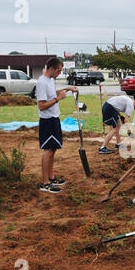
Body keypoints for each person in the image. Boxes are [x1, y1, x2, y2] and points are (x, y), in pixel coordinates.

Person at [37, 57, 77, 194]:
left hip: (54, 119)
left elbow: (52, 94)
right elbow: (41, 106)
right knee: (48, 150)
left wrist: (67, 88)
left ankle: (51, 177)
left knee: (53, 149)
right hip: (47, 121)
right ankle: (45, 183)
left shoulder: (50, 81)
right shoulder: (41, 82)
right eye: (58, 71)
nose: (59, 73)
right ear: (52, 68)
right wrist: (58, 98)